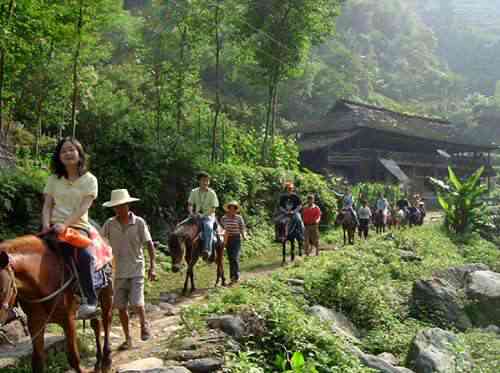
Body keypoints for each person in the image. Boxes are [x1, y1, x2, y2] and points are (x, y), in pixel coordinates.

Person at [42, 137, 98, 319]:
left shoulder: (89, 180)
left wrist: (64, 225)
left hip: (77, 227)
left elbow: (84, 208)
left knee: (85, 256)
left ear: (79, 153)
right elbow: (47, 206)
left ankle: (89, 300)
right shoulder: (53, 179)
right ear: (59, 156)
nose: (67, 153)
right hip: (52, 227)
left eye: (71, 150)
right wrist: (46, 226)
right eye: (63, 151)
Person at [102, 189, 156, 350]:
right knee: (121, 307)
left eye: (122, 206)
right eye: (116, 207)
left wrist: (153, 266)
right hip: (117, 272)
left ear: (128, 205)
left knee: (137, 303)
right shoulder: (109, 224)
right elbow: (100, 242)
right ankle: (128, 338)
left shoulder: (139, 222)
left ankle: (144, 324)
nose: (119, 209)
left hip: (136, 268)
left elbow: (149, 244)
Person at [187, 172, 220, 261]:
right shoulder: (194, 191)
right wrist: (191, 213)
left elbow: (213, 208)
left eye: (207, 181)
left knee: (208, 227)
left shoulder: (212, 193)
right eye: (203, 180)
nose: (205, 182)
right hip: (196, 215)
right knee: (182, 226)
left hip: (208, 216)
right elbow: (190, 204)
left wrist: (203, 215)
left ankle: (207, 250)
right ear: (199, 181)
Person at [221, 201, 248, 285]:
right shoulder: (224, 218)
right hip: (227, 239)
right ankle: (232, 277)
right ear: (228, 209)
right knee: (230, 258)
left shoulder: (239, 218)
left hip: (236, 239)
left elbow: (242, 228)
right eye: (230, 208)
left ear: (236, 210)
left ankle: (236, 277)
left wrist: (244, 236)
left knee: (235, 258)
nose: (232, 210)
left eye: (234, 208)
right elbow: (222, 229)